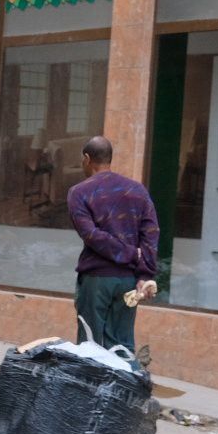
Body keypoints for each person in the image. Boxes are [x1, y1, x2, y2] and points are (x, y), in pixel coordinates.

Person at [68, 135, 160, 355]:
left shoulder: (78, 192)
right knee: (123, 347)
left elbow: (91, 235)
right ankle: (126, 388)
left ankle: (92, 389)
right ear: (110, 159)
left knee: (89, 348)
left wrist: (131, 255)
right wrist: (144, 274)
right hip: (128, 281)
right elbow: (151, 232)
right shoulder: (136, 190)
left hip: (96, 280)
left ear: (87, 158)